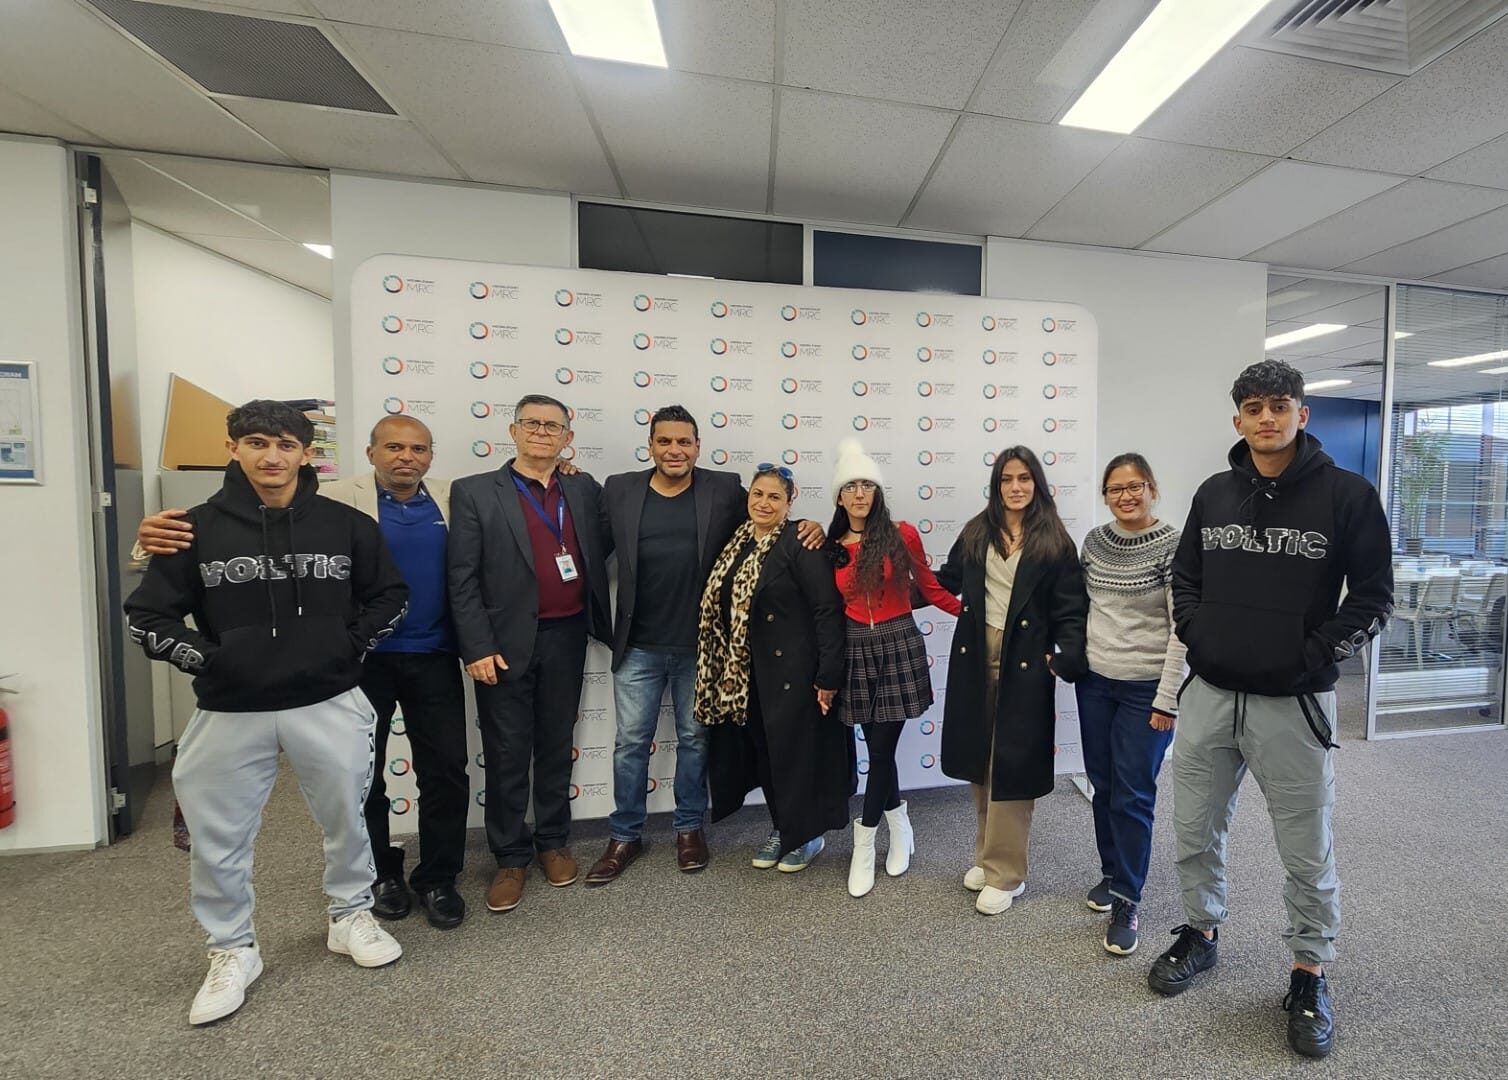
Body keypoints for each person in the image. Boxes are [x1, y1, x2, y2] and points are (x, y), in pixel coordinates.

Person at [124, 400, 409, 1026]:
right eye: (256, 443)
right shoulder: (191, 528)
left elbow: (390, 595)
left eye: (285, 444)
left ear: (307, 452)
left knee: (347, 819)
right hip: (230, 706)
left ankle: (349, 915)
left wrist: (346, 645)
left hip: (328, 699)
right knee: (219, 839)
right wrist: (214, 661)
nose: (271, 456)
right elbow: (147, 615)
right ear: (233, 448)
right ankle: (231, 950)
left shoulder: (346, 525)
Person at [135, 415, 470, 930]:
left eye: (419, 448)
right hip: (354, 669)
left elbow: (507, 504)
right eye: (395, 446)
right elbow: (246, 514)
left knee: (445, 770)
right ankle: (380, 875)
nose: (407, 456)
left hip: (432, 655)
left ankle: (439, 877)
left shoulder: (453, 497)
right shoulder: (335, 498)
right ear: (371, 451)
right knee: (362, 780)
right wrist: (147, 538)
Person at [1147, 359, 1392, 1061]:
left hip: (1295, 704)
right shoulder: (1214, 493)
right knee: (1194, 829)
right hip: (1211, 695)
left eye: (1278, 405)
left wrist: (1312, 653)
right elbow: (1184, 578)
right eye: (1253, 407)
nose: (1266, 418)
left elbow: (1374, 599)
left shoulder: (1348, 497)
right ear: (1238, 420)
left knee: (1305, 849)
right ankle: (1200, 933)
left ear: (1301, 414)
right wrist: (1197, 631)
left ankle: (1309, 974)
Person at [448, 393, 612, 914]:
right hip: (502, 645)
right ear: (513, 431)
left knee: (556, 743)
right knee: (506, 752)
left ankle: (553, 842)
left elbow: (600, 544)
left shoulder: (583, 489)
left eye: (553, 426)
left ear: (568, 437)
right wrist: (476, 644)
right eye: (532, 423)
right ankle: (510, 856)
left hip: (567, 636)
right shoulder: (475, 492)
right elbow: (462, 576)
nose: (542, 432)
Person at [587, 406, 746, 884]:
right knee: (630, 744)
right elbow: (588, 547)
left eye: (684, 442)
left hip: (701, 647)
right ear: (650, 445)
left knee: (695, 741)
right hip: (638, 645)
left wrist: (809, 529)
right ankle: (624, 834)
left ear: (698, 446)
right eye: (665, 442)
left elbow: (764, 530)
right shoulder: (619, 489)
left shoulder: (725, 489)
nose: (674, 451)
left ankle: (688, 829)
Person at [935, 447, 1087, 916]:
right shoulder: (976, 531)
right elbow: (947, 579)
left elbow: (1070, 609)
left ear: (1037, 484)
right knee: (981, 760)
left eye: (1024, 478)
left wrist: (1062, 660)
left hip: (1026, 663)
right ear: (996, 484)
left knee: (1013, 765)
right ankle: (988, 856)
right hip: (976, 656)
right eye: (1007, 479)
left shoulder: (1054, 540)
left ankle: (1007, 872)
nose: (1015, 487)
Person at [696, 464, 851, 873]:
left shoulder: (801, 540)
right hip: (746, 675)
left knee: (798, 756)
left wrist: (828, 675)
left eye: (774, 497)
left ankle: (808, 835)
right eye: (758, 495)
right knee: (768, 755)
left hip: (795, 672)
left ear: (789, 501)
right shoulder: (738, 539)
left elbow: (826, 610)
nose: (764, 503)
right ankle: (783, 827)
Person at [824, 439, 961, 898]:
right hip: (855, 649)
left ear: (877, 492)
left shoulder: (901, 533)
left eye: (867, 485)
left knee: (881, 751)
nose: (860, 493)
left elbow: (930, 585)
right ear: (840, 497)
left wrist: (974, 614)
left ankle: (865, 844)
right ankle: (900, 824)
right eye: (851, 487)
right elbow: (826, 609)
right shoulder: (830, 546)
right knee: (877, 743)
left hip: (899, 641)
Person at [1075, 452, 1186, 956]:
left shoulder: (1172, 544)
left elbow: (1183, 630)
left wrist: (1168, 699)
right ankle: (1111, 871)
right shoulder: (1094, 543)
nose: (1126, 495)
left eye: (1135, 486)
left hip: (1146, 690)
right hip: (1096, 683)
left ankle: (1128, 897)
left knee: (1134, 792)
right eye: (1116, 488)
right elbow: (1082, 608)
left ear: (1152, 488)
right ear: (1105, 495)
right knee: (1103, 784)